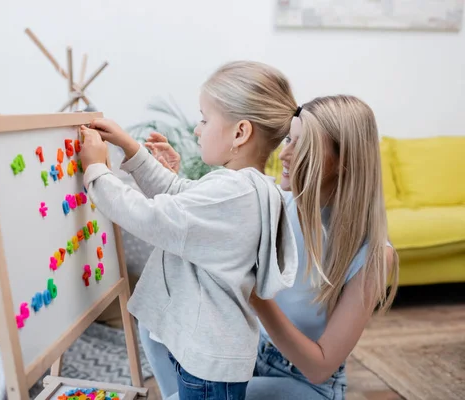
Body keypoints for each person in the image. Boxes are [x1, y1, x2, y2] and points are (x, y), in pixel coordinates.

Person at [140, 95, 399, 399]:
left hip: (304, 382)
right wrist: (173, 179)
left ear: (344, 161)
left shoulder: (372, 255)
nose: (285, 153)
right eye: (289, 138)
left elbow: (320, 367)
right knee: (154, 319)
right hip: (247, 354)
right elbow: (204, 217)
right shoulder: (272, 202)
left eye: (303, 145)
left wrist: (255, 293)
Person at [79, 61, 301, 400]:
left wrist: (96, 168)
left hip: (210, 366)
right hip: (208, 356)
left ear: (240, 132)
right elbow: (180, 193)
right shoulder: (244, 186)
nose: (197, 129)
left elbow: (149, 217)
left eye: (204, 119)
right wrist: (131, 149)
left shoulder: (234, 194)